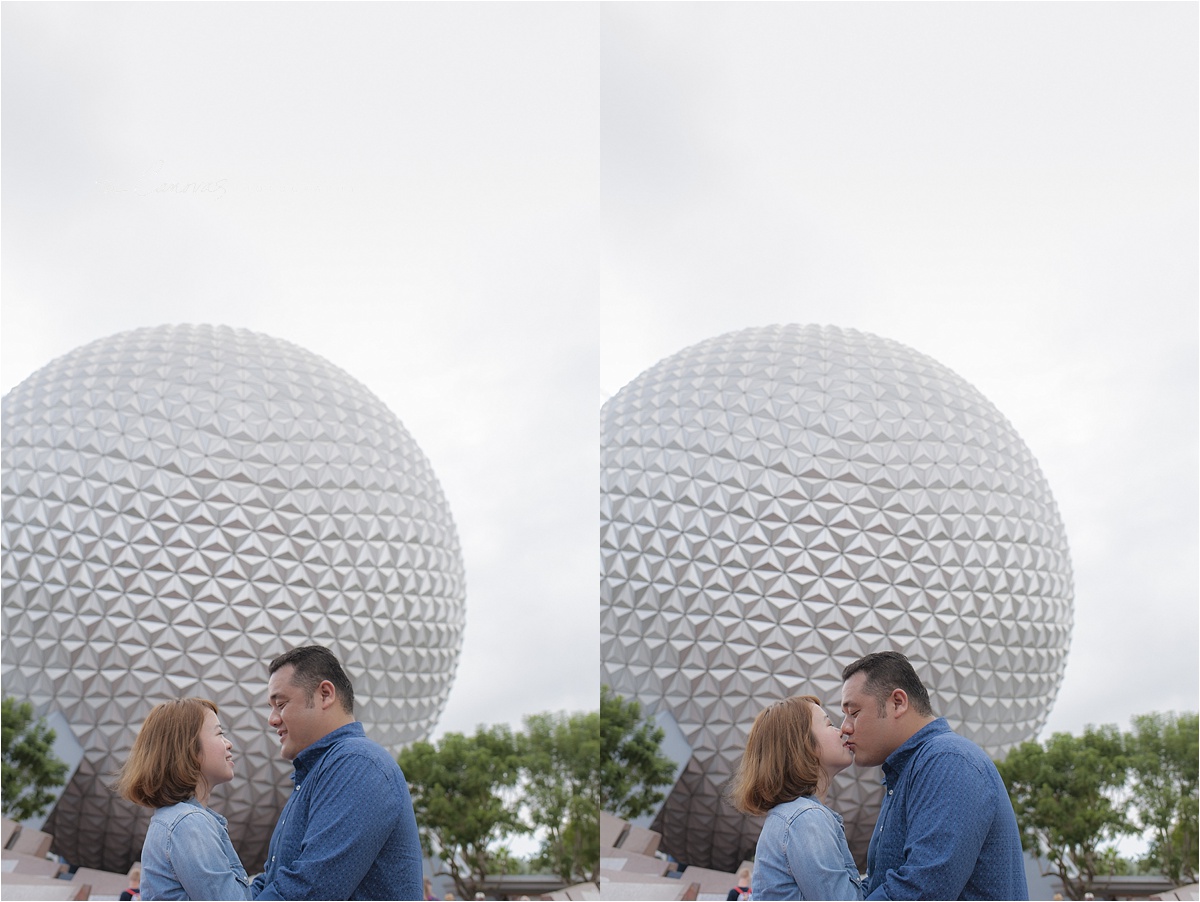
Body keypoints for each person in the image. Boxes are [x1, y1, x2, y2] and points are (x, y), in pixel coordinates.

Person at [839, 651, 1028, 900]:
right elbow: (880, 884)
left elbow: (923, 889)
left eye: (854, 712)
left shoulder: (948, 761)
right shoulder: (912, 770)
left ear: (898, 702)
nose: (844, 727)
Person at [251, 645, 423, 900]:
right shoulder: (319, 772)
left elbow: (311, 889)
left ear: (325, 694)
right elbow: (274, 878)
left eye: (281, 704)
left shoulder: (358, 764)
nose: (272, 719)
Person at [113, 698, 251, 901]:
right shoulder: (188, 823)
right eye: (220, 733)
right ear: (189, 749)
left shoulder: (176, 820)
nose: (228, 743)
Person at [727, 695, 863, 900]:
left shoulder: (794, 816)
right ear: (803, 744)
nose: (842, 730)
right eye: (830, 724)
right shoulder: (805, 819)